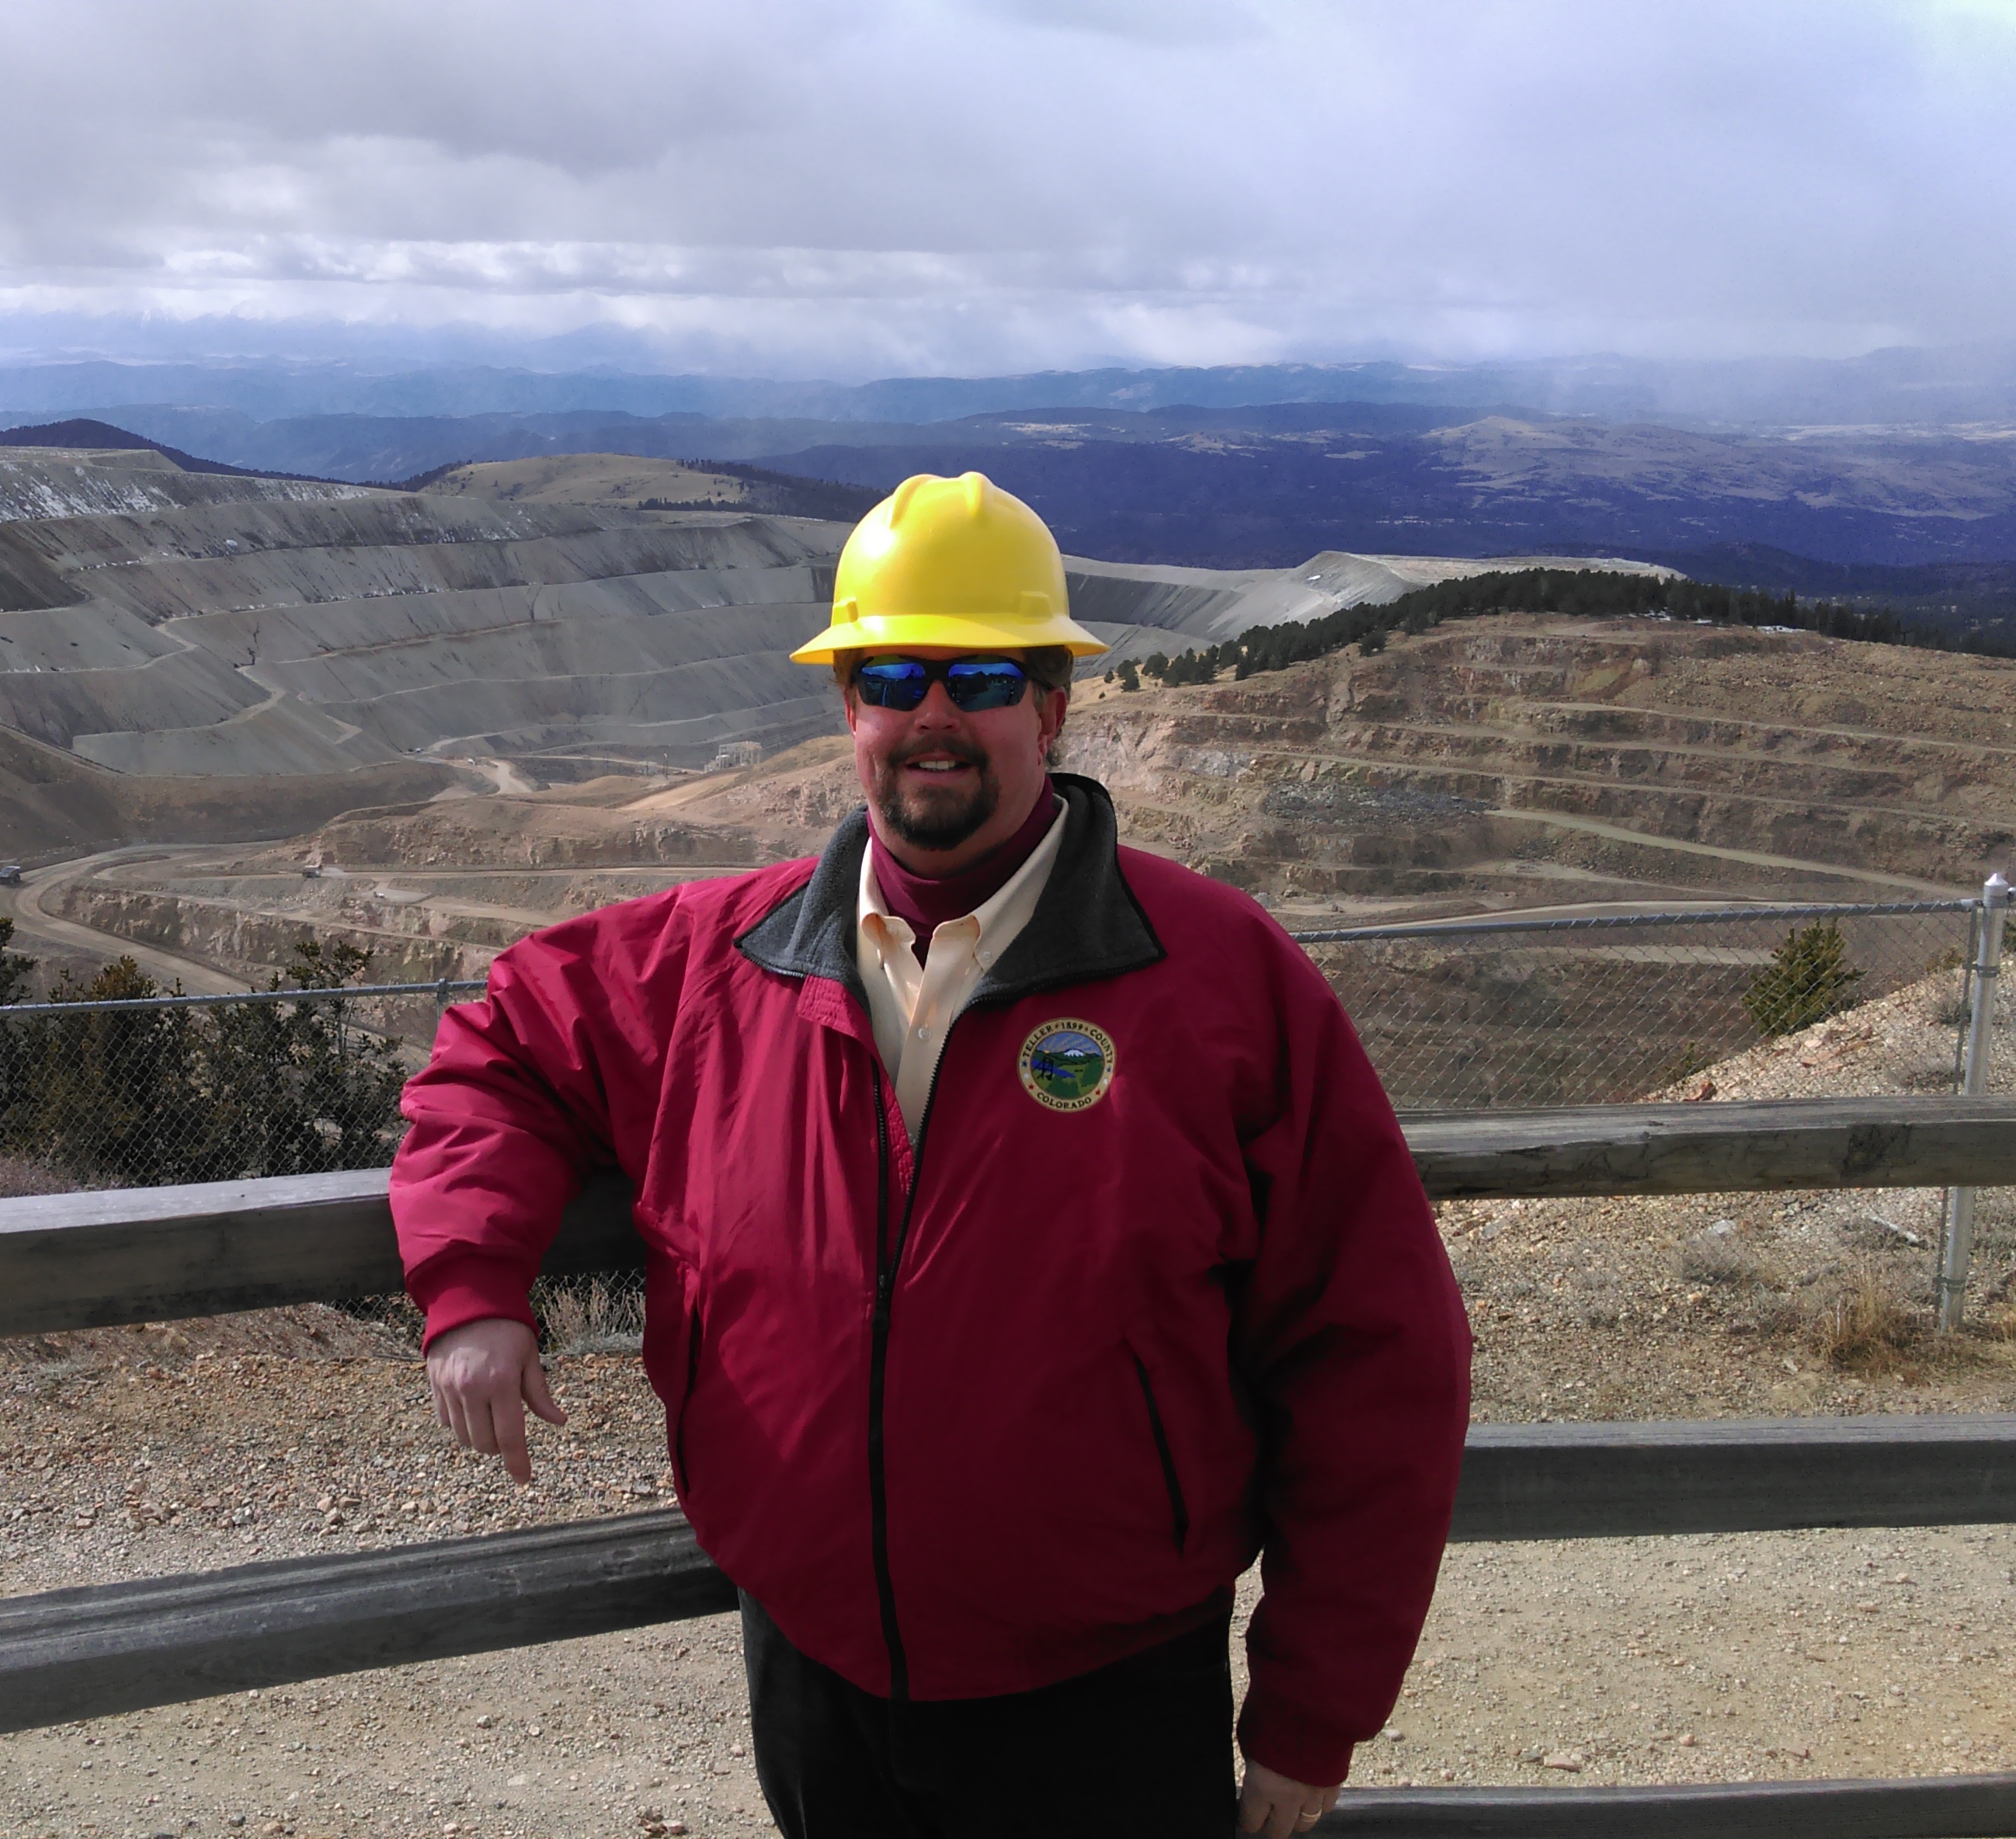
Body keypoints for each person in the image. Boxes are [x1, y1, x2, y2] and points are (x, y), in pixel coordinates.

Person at [391, 471, 1471, 1838]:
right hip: (812, 1671)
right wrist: (473, 1289)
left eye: (984, 677)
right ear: (849, 709)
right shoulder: (712, 962)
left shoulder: (1220, 982)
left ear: (1054, 707)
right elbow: (500, 1047)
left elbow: (1380, 1355)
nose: (934, 716)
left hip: (1108, 1699)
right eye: (894, 677)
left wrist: (1313, 1713)